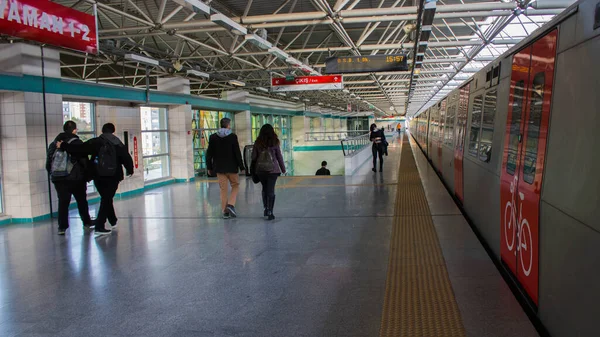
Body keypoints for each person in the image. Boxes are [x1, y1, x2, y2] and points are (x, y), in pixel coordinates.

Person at [58, 123, 133, 236]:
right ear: (113, 130)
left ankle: (112, 220)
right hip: (113, 176)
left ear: (102, 131)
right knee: (106, 199)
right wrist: (130, 170)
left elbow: (80, 150)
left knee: (106, 198)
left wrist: (63, 146)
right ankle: (100, 225)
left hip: (98, 175)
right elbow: (126, 157)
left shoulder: (96, 142)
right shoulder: (117, 143)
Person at [46, 121, 92, 235]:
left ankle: (62, 227)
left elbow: (49, 162)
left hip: (59, 178)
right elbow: (83, 160)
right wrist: (87, 175)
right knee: (81, 201)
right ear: (74, 130)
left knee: (63, 202)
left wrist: (52, 174)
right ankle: (86, 222)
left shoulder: (53, 144)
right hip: (75, 178)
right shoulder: (76, 142)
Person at [206, 118, 245, 219]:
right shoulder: (232, 136)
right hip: (232, 167)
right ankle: (231, 205)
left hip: (219, 168)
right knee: (235, 186)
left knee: (223, 190)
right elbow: (237, 152)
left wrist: (209, 167)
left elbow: (209, 154)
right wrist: (242, 167)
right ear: (228, 125)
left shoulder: (213, 137)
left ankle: (225, 212)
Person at [251, 124, 286, 221]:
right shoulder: (275, 142)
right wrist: (283, 169)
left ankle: (266, 208)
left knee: (265, 189)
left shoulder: (258, 142)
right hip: (273, 170)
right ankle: (270, 211)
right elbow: (279, 156)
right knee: (271, 190)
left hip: (261, 170)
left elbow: (253, 157)